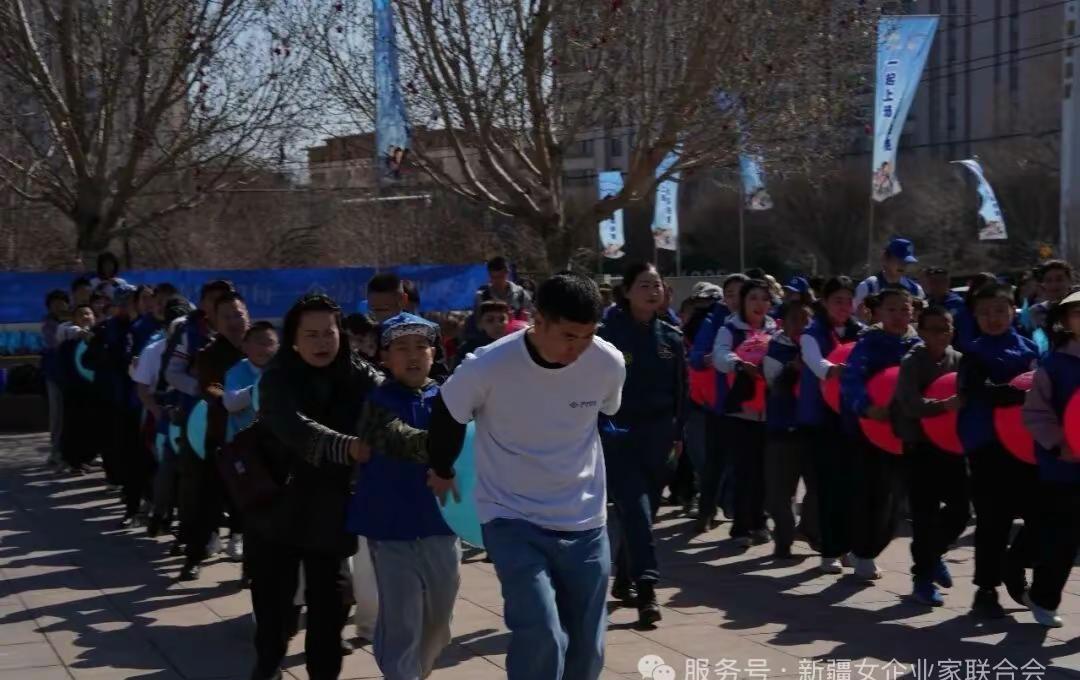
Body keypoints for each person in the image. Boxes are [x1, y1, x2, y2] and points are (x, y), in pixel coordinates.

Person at [425, 273, 625, 680]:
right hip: (511, 516)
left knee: (587, 646)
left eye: (588, 336)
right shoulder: (489, 365)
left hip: (585, 518)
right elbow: (447, 413)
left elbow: (608, 412)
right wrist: (442, 468)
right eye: (569, 336)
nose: (578, 348)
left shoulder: (607, 363)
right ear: (539, 319)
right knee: (541, 631)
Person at [247, 294, 374, 680]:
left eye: (328, 333)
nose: (322, 343)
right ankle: (267, 668)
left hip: (331, 508)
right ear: (294, 340)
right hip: (276, 504)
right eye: (311, 335)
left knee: (330, 608)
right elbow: (293, 427)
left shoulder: (361, 375)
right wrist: (346, 447)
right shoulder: (276, 377)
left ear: (341, 335)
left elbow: (393, 402)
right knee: (273, 610)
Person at [347, 312, 461, 679]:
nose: (413, 355)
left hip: (441, 526)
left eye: (421, 346)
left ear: (433, 353)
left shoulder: (451, 399)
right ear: (385, 357)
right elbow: (400, 439)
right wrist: (447, 447)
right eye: (401, 348)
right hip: (391, 529)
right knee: (401, 622)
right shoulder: (377, 401)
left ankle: (415, 672)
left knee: (440, 623)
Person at [596, 262, 687, 627]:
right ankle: (647, 590)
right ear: (628, 291)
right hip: (619, 433)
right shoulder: (606, 336)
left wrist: (679, 434)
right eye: (644, 285)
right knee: (635, 509)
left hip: (660, 436)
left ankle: (623, 577)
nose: (652, 292)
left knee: (644, 513)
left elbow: (681, 391)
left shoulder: (672, 337)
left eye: (657, 285)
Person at [958, 283, 1040, 619]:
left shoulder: (1030, 347)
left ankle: (1014, 566)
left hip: (1028, 445)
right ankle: (986, 589)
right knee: (994, 520)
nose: (993, 318)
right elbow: (983, 392)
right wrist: (1021, 392)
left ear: (1012, 312)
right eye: (984, 312)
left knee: (1041, 514)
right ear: (975, 317)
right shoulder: (973, 353)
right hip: (988, 445)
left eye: (999, 311)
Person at [841, 289, 922, 582]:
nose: (898, 316)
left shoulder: (919, 346)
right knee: (872, 494)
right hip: (870, 431)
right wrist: (866, 407)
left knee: (897, 499)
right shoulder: (868, 344)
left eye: (904, 309)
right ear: (879, 313)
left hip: (907, 433)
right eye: (891, 310)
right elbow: (851, 381)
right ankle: (864, 553)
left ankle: (868, 547)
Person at [892, 306, 967, 607]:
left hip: (951, 447)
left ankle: (933, 555)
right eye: (933, 329)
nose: (940, 334)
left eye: (945, 328)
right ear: (921, 331)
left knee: (961, 510)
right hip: (919, 448)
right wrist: (942, 406)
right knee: (924, 515)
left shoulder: (958, 360)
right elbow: (909, 404)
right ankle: (922, 579)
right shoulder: (912, 361)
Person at [178, 291, 251, 581]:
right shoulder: (209, 354)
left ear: (248, 316)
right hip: (220, 435)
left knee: (252, 503)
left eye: (238, 314)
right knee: (206, 500)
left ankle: (251, 565)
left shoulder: (261, 347)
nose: (234, 321)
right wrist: (233, 398)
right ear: (215, 322)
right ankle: (194, 556)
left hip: (256, 439)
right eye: (227, 316)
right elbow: (210, 387)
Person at [798, 277, 864, 573]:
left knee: (854, 486)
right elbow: (817, 364)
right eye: (837, 300)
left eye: (848, 301)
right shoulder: (811, 334)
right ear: (824, 303)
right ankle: (829, 550)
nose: (844, 306)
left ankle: (851, 547)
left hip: (853, 416)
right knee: (828, 487)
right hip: (822, 420)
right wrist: (836, 370)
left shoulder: (860, 332)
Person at [1022, 290, 1080, 628]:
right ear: (1066, 321)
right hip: (1064, 466)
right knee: (1062, 539)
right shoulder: (1054, 364)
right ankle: (1043, 597)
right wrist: (1060, 444)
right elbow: (1036, 413)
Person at [713, 279, 778, 548]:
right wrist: (739, 364)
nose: (759, 304)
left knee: (764, 471)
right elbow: (719, 355)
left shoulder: (775, 329)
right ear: (743, 302)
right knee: (744, 470)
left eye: (764, 298)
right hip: (741, 411)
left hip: (770, 410)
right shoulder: (729, 328)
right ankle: (741, 527)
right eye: (753, 298)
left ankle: (759, 521)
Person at [690, 273, 748, 532]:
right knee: (715, 462)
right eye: (731, 294)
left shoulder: (763, 323)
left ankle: (745, 519)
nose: (736, 300)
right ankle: (706, 512)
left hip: (752, 406)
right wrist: (712, 358)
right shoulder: (714, 322)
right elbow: (695, 357)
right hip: (720, 403)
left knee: (746, 464)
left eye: (741, 293)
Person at [762, 300, 819, 559]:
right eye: (796, 319)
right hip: (782, 432)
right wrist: (793, 369)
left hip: (812, 431)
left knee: (818, 489)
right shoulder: (774, 350)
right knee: (779, 494)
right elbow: (774, 386)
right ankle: (783, 540)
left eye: (807, 319)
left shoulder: (819, 347)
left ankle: (809, 530)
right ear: (783, 324)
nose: (802, 325)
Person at [367, 273, 448, 380]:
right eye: (374, 310)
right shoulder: (370, 334)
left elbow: (440, 376)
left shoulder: (427, 331)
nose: (379, 316)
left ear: (403, 300)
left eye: (385, 309)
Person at [56, 305, 100, 474]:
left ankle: (88, 457)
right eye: (81, 314)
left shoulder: (99, 338)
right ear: (74, 319)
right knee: (74, 426)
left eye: (88, 313)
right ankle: (73, 462)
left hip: (94, 390)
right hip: (74, 391)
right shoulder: (68, 341)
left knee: (92, 425)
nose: (86, 316)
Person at [223, 321, 279, 442]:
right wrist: (256, 390)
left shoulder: (281, 370)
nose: (265, 348)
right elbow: (230, 403)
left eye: (270, 343)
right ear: (245, 346)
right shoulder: (236, 372)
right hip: (243, 440)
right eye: (260, 343)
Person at [853, 237, 926, 312]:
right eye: (899, 260)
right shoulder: (868, 287)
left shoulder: (916, 290)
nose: (903, 265)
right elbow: (856, 315)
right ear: (885, 258)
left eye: (906, 262)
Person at [41, 289, 71, 467]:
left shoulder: (74, 318)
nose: (59, 306)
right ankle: (56, 452)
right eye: (54, 304)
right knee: (57, 415)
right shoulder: (48, 324)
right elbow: (55, 343)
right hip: (55, 374)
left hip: (74, 375)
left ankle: (76, 451)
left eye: (62, 302)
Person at [454, 300, 510, 367]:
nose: (497, 324)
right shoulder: (468, 349)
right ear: (480, 324)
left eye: (502, 319)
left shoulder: (514, 344)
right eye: (490, 320)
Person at [474, 256, 531, 321]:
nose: (497, 281)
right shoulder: (482, 296)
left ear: (507, 273)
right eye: (493, 277)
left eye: (500, 277)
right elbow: (477, 322)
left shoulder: (520, 294)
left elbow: (531, 318)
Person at [1026, 260, 1076, 335]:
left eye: (1059, 280)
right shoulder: (1035, 312)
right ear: (1043, 284)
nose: (1054, 284)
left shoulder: (1077, 310)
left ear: (1070, 281)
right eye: (1048, 280)